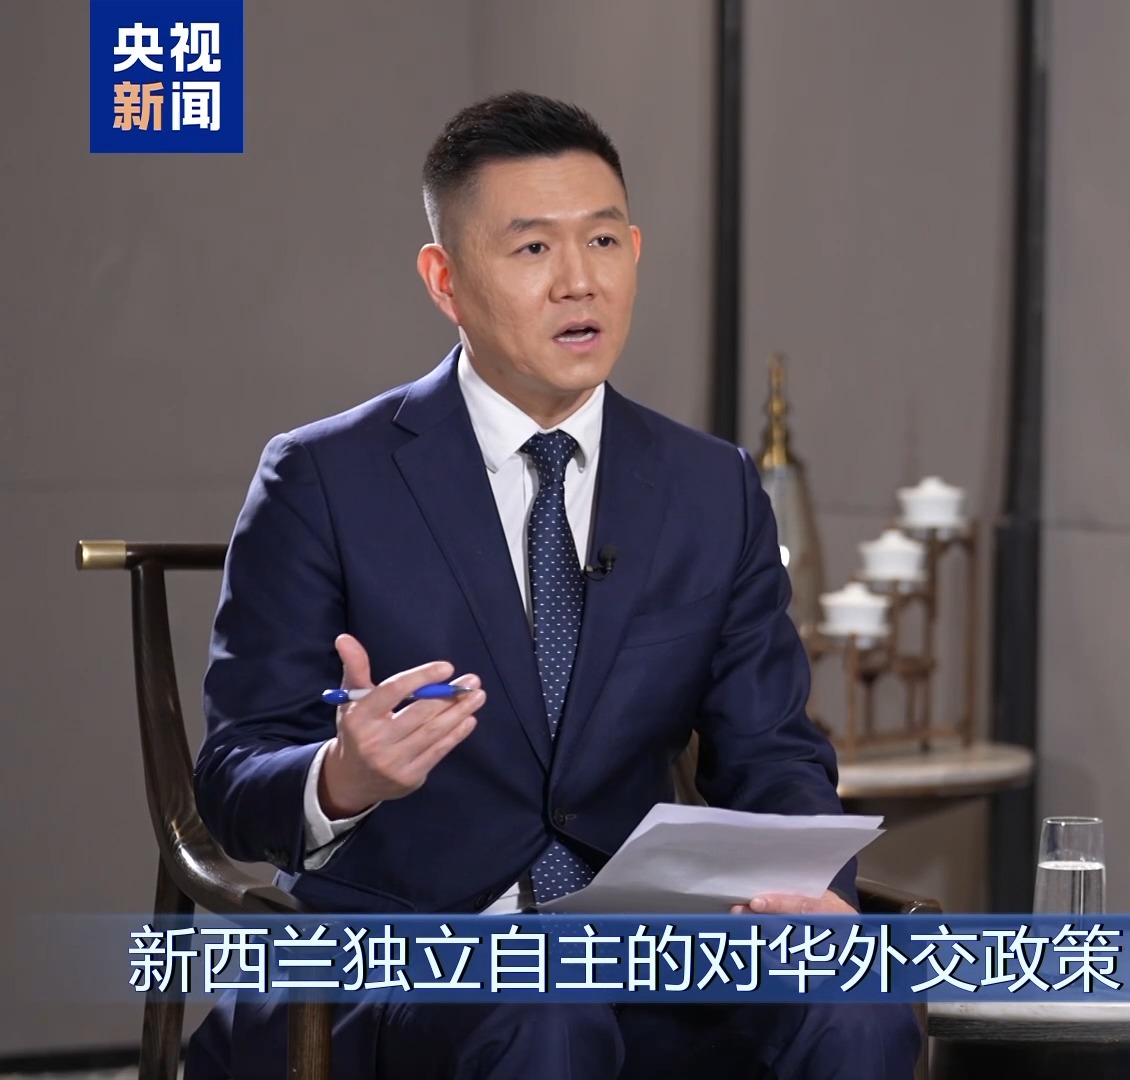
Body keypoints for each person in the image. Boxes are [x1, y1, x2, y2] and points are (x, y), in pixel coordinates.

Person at [184, 91, 919, 1080]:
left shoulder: (711, 488)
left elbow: (773, 752)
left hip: (648, 963)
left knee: (858, 1005)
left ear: (635, 252)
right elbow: (233, 774)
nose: (580, 281)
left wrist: (804, 885)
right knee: (545, 1013)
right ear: (445, 280)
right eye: (533, 248)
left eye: (604, 241)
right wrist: (339, 778)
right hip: (408, 969)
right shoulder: (322, 478)